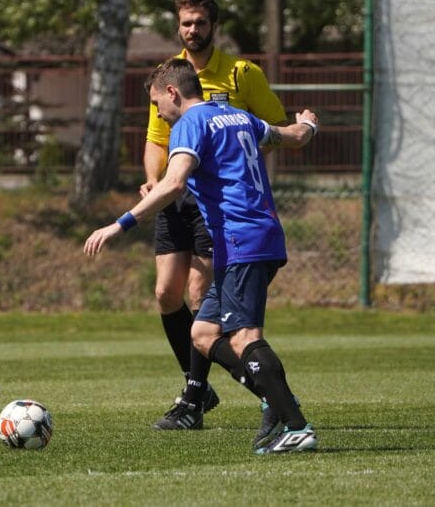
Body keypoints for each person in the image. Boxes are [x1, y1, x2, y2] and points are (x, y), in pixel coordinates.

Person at [84, 58, 318, 454]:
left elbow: (174, 183)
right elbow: (293, 137)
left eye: (159, 105)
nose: (160, 114)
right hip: (256, 237)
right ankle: (279, 400)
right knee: (204, 333)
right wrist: (309, 124)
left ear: (173, 93)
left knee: (244, 337)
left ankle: (296, 425)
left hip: (241, 238)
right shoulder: (238, 116)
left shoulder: (191, 124)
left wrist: (119, 224)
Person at [142, 0, 288, 433]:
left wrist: (251, 182)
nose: (192, 30)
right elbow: (156, 139)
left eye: (199, 23)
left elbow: (275, 127)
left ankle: (193, 395)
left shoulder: (241, 74)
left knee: (198, 295)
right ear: (178, 25)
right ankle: (208, 389)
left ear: (213, 26)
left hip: (215, 199)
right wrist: (153, 179)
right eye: (186, 23)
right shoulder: (171, 75)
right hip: (174, 191)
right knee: (167, 293)